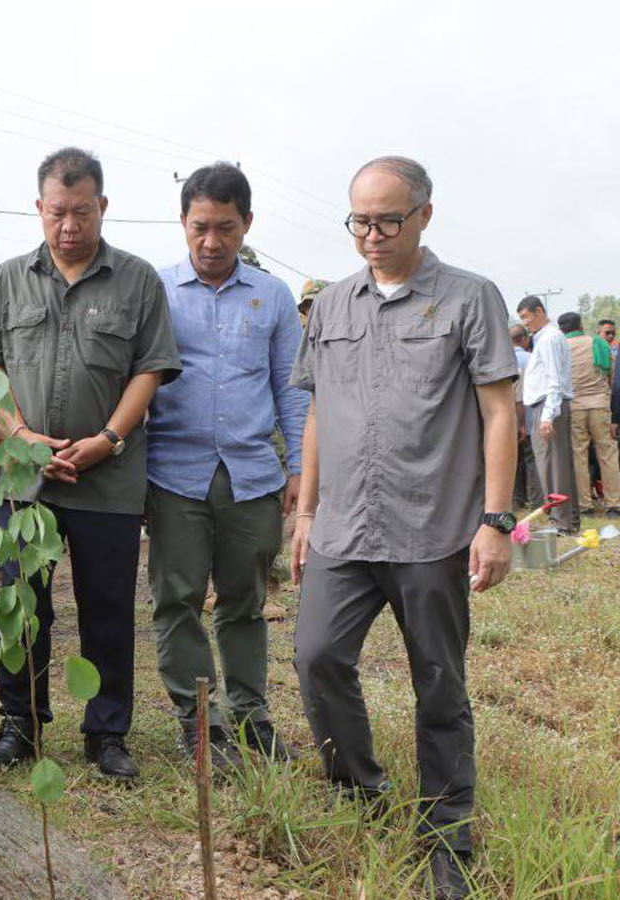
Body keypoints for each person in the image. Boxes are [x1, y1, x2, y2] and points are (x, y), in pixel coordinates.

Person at [290, 156, 517, 900]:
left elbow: (498, 412)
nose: (373, 235)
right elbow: (319, 412)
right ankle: (361, 788)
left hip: (432, 527)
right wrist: (305, 510)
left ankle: (447, 830)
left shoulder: (468, 298)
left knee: (439, 684)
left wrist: (494, 520)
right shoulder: (331, 307)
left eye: (388, 220)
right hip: (344, 529)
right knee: (318, 657)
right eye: (360, 220)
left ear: (424, 214)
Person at [0, 147, 180, 780]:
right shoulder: (8, 279)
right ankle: (20, 725)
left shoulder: (138, 280)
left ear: (102, 208)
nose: (69, 226)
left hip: (108, 475)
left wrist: (109, 441)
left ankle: (107, 732)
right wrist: (21, 437)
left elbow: (149, 368)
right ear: (38, 209)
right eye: (57, 212)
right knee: (19, 601)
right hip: (23, 475)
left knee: (108, 606)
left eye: (82, 212)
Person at [145, 162, 307, 770]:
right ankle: (198, 719)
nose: (212, 243)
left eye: (226, 229)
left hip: (253, 476)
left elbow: (291, 388)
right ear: (183, 222)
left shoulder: (273, 296)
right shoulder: (155, 290)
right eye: (200, 228)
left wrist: (296, 470)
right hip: (173, 474)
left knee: (245, 600)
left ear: (247, 226)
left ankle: (251, 714)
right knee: (176, 598)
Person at [517, 295, 580, 532]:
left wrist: (547, 415)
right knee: (556, 465)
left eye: (526, 317)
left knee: (553, 466)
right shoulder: (544, 338)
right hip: (544, 405)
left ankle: (561, 522)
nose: (525, 323)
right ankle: (566, 520)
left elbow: (554, 379)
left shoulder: (550, 338)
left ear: (539, 311)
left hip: (548, 405)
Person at [558, 311, 620, 515]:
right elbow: (610, 376)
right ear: (581, 325)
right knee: (608, 453)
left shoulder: (561, 346)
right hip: (600, 404)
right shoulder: (598, 343)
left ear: (562, 329)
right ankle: (614, 504)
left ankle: (585, 506)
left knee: (579, 455)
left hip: (575, 406)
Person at [511, 324, 543, 509]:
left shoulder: (502, 360)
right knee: (532, 460)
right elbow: (521, 396)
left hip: (508, 420)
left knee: (513, 460)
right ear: (524, 339)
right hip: (530, 417)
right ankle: (536, 500)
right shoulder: (532, 359)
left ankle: (516, 500)